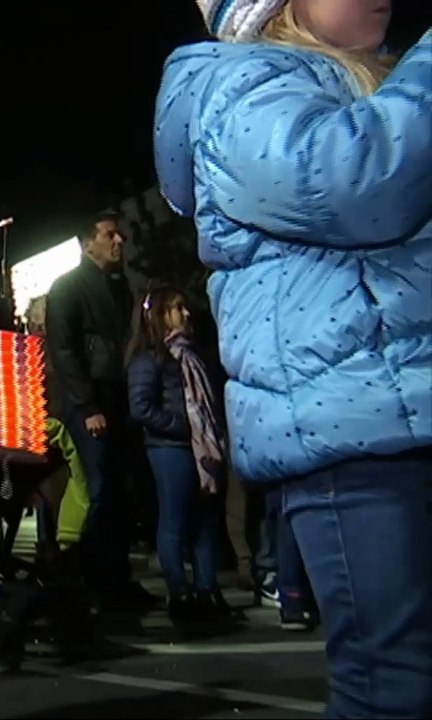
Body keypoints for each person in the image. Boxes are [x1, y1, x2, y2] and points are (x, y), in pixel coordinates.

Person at [156, 2, 431, 715]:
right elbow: (357, 179)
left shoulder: (380, 80)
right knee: (396, 681)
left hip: (402, 410)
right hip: (354, 435)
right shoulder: (240, 87)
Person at [45, 210, 156, 612]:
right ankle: (96, 584)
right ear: (87, 242)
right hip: (88, 402)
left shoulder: (119, 287)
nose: (118, 241)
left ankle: (116, 579)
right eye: (109, 234)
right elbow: (63, 349)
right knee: (100, 490)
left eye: (120, 235)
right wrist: (86, 405)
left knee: (122, 491)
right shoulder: (69, 287)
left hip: (117, 396)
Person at [126, 286, 231, 623]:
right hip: (170, 449)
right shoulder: (149, 358)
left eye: (185, 308)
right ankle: (180, 594)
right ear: (160, 316)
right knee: (175, 521)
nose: (186, 314)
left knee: (205, 523)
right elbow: (141, 407)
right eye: (177, 308)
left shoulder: (192, 354)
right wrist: (183, 426)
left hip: (201, 448)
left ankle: (207, 590)